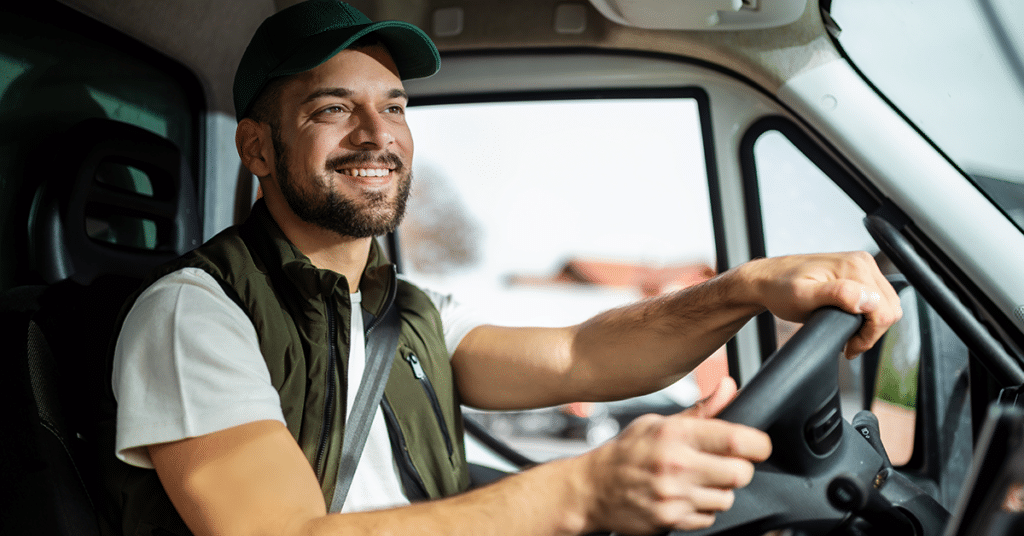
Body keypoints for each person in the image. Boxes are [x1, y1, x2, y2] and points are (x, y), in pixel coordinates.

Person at [108, 1, 902, 535]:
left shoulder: (403, 309)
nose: (376, 135)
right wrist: (584, 491)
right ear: (257, 150)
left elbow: (581, 355)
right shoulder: (195, 315)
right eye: (331, 108)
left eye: (393, 105)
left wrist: (746, 289)